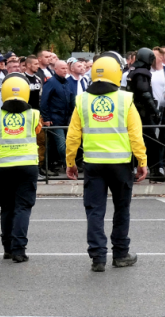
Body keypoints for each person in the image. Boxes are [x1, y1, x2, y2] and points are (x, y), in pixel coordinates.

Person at [65, 55, 148, 272]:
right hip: (120, 164)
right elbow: (135, 134)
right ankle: (120, 254)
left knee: (94, 210)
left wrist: (70, 161)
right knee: (122, 209)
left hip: (93, 164)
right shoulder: (125, 99)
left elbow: (73, 135)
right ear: (117, 74)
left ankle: (98, 257)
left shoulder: (82, 100)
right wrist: (142, 161)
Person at [0, 74, 42, 262]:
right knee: (23, 208)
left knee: (7, 208)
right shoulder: (33, 115)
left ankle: (7, 248)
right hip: (28, 166)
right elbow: (38, 131)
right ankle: (19, 250)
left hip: (4, 167)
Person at [126, 48, 163, 181]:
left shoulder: (133, 70)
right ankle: (154, 170)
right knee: (152, 142)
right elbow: (145, 93)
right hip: (143, 112)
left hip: (133, 110)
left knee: (134, 141)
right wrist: (155, 110)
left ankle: (132, 169)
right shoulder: (142, 72)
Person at [40, 61, 74, 174]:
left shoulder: (66, 82)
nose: (65, 70)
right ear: (56, 69)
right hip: (54, 118)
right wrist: (46, 118)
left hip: (65, 118)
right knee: (61, 143)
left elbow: (70, 99)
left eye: (66, 68)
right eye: (63, 68)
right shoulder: (51, 82)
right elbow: (44, 101)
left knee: (52, 144)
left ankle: (46, 165)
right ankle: (68, 165)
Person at [23, 56, 46, 178]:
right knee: (28, 141)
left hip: (37, 114)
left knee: (40, 141)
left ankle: (39, 166)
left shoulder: (38, 79)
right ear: (28, 65)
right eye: (35, 64)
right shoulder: (22, 79)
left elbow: (41, 97)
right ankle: (28, 166)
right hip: (25, 114)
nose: (38, 66)